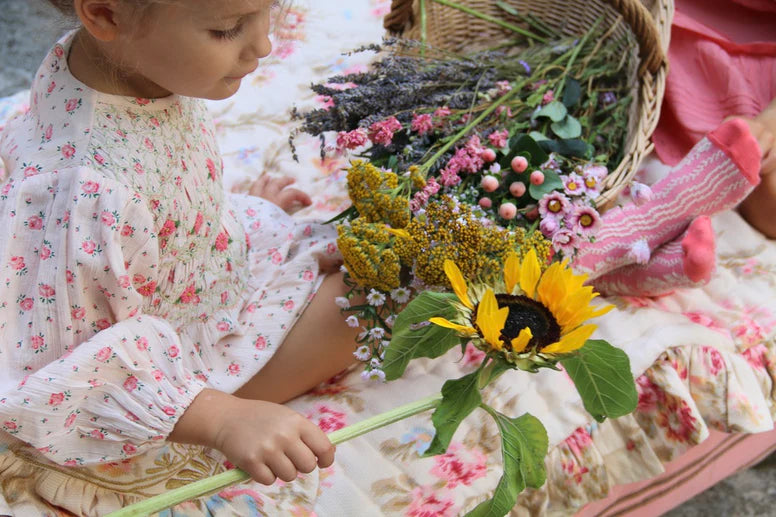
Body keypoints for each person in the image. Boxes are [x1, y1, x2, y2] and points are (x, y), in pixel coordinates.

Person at [0, 0, 362, 514]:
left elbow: (151, 185)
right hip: (164, 368)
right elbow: (66, 365)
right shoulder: (85, 189)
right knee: (372, 302)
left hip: (197, 270)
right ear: (105, 15)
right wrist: (222, 418)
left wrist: (209, 213)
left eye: (269, 10)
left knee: (364, 258)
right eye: (228, 29)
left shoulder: (136, 68)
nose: (264, 45)